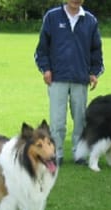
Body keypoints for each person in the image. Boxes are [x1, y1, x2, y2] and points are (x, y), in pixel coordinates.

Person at [34, 0, 104, 165]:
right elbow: (41, 49)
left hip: (81, 78)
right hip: (57, 78)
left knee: (80, 119)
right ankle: (55, 155)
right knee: (57, 121)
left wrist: (94, 72)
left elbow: (96, 50)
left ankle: (79, 154)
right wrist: (46, 69)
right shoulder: (52, 17)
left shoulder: (90, 20)